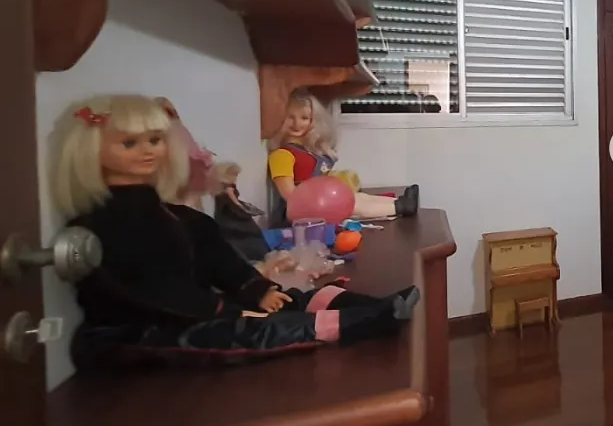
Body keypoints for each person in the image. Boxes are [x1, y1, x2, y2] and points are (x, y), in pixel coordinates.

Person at [49, 94, 417, 371]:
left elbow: (216, 257)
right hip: (135, 334)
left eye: (155, 140)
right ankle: (360, 321)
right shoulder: (103, 225)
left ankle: (375, 307)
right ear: (91, 151)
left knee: (286, 299)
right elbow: (151, 292)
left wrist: (256, 289)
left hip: (193, 309)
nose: (147, 151)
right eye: (130, 143)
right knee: (253, 332)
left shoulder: (173, 215)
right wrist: (226, 311)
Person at [266, 88, 418, 226]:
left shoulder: (307, 151)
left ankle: (399, 201)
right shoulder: (281, 155)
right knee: (354, 206)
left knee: (357, 197)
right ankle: (400, 207)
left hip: (320, 201)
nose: (297, 123)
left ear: (313, 121)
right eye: (290, 117)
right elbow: (290, 195)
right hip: (305, 210)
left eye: (304, 118)